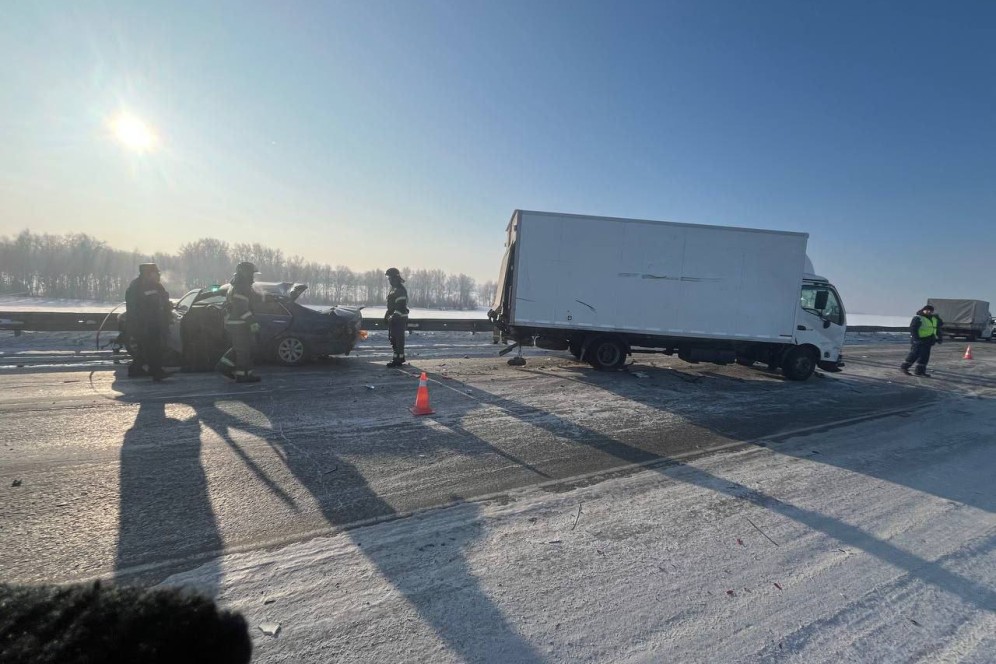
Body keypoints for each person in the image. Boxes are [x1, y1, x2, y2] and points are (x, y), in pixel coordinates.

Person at [124, 263, 172, 382]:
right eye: (156, 273)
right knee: (152, 348)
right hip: (143, 324)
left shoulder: (157, 286)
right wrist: (139, 322)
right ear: (149, 274)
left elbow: (163, 301)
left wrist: (167, 307)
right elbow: (134, 307)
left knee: (147, 349)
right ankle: (156, 371)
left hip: (155, 323)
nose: (159, 275)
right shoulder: (137, 286)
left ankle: (137, 370)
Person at [217, 262, 262, 383]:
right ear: (245, 273)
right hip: (239, 323)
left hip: (236, 322)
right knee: (243, 350)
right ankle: (242, 375)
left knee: (241, 348)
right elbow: (241, 307)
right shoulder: (242, 286)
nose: (253, 277)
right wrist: (251, 322)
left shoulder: (237, 284)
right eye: (252, 274)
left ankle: (225, 366)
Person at [901, 304, 943, 376]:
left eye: (930, 311)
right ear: (923, 310)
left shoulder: (933, 319)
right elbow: (913, 329)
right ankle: (904, 367)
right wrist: (916, 339)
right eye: (927, 310)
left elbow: (937, 328)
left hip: (929, 340)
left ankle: (920, 371)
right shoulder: (918, 318)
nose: (929, 311)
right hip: (919, 340)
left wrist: (939, 337)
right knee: (914, 354)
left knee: (924, 357)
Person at [384, 267, 409, 367]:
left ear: (395, 278)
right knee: (393, 338)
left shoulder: (400, 290)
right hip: (394, 317)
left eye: (390, 278)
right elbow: (392, 305)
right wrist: (387, 315)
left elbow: (400, 306)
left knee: (398, 339)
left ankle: (398, 360)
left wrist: (393, 317)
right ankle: (397, 358)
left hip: (399, 318)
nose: (389, 280)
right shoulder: (393, 289)